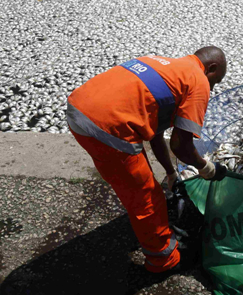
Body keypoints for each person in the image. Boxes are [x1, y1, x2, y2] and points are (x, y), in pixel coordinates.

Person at [66, 46, 228, 273]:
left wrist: (171, 173)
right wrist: (206, 167)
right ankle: (164, 260)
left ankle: (135, 204)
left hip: (78, 108)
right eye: (215, 81)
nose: (212, 87)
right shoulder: (198, 81)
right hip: (107, 126)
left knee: (126, 177)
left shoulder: (159, 62)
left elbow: (155, 133)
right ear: (211, 69)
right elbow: (181, 146)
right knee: (147, 197)